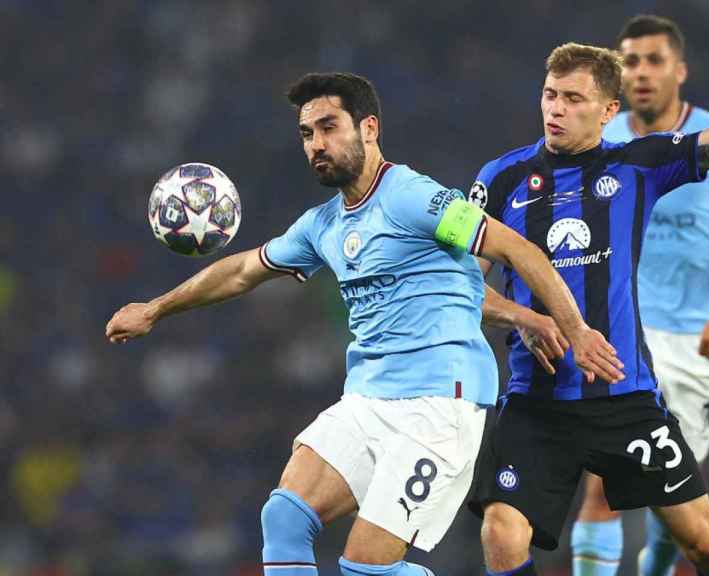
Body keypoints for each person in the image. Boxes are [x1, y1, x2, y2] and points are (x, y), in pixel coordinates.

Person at [105, 72, 623, 576]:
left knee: (362, 567)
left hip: (439, 406)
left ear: (368, 128)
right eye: (307, 134)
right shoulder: (322, 225)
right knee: (283, 516)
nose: (316, 145)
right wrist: (156, 308)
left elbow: (515, 248)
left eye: (329, 127)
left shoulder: (414, 197)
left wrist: (574, 329)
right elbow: (242, 271)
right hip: (368, 399)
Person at [465, 7, 709, 576]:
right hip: (537, 404)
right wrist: (527, 321)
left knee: (703, 544)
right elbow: (462, 290)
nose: (556, 108)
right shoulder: (499, 178)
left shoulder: (638, 164)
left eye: (574, 99)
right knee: (501, 532)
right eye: (550, 94)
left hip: (625, 398)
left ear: (608, 111)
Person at [570, 15, 709, 576]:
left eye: (653, 60)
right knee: (601, 488)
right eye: (629, 61)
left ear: (680, 71)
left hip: (697, 345)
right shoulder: (600, 140)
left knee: (674, 511)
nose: (639, 72)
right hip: (623, 338)